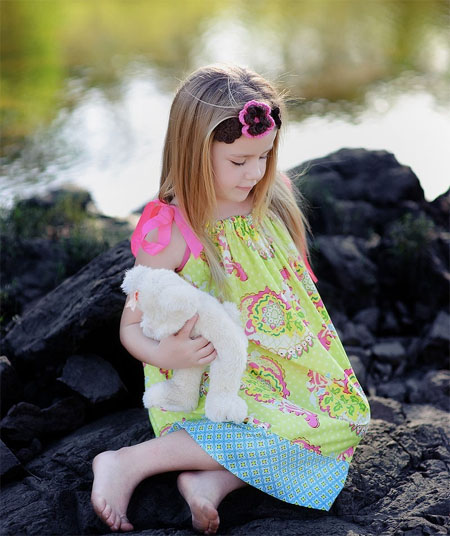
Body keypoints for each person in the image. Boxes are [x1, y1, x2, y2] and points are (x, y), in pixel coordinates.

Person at [91, 64, 371, 534]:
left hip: (283, 359)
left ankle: (209, 482)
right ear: (194, 153)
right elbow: (130, 325)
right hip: (211, 376)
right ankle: (130, 462)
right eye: (239, 161)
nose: (255, 172)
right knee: (261, 424)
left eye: (264, 157)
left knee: (347, 419)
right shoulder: (171, 230)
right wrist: (165, 352)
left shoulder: (270, 198)